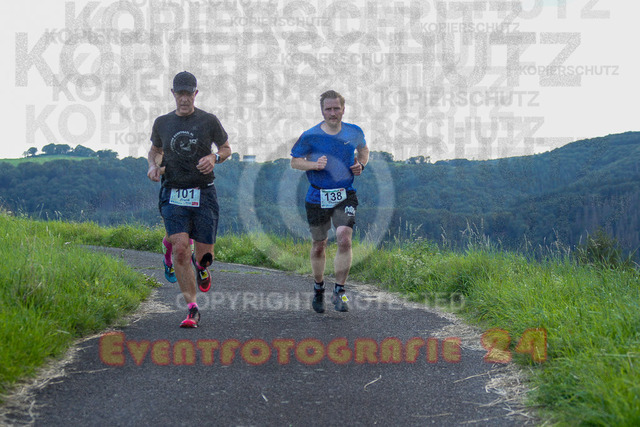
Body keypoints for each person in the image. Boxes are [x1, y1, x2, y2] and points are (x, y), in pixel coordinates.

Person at [147, 71, 231, 328]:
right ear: (173, 94)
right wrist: (153, 166)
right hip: (173, 191)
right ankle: (192, 308)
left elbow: (226, 148)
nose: (184, 99)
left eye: (188, 94)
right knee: (182, 247)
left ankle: (201, 267)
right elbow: (155, 150)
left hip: (203, 192)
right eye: (180, 94)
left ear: (196, 93)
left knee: (204, 256)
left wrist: (214, 157)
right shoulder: (162, 122)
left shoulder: (208, 120)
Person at [290, 90, 369, 313]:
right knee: (319, 245)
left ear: (343, 109)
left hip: (345, 193)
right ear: (322, 111)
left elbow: (363, 149)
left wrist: (361, 164)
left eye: (336, 108)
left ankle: (340, 290)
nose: (333, 113)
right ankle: (318, 288)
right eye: (328, 109)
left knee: (344, 238)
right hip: (317, 196)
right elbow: (295, 162)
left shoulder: (354, 131)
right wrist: (314, 165)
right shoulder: (310, 135)